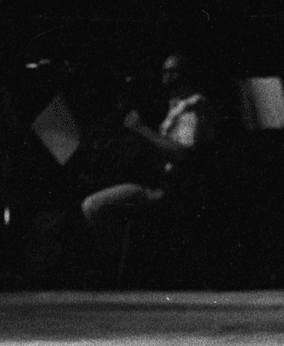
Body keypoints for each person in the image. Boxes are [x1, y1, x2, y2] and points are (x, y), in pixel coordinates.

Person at [80, 54, 216, 273]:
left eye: (173, 71)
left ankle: (112, 267)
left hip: (169, 190)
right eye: (164, 71)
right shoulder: (175, 106)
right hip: (158, 183)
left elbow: (181, 152)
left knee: (93, 207)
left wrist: (141, 129)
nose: (166, 76)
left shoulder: (194, 107)